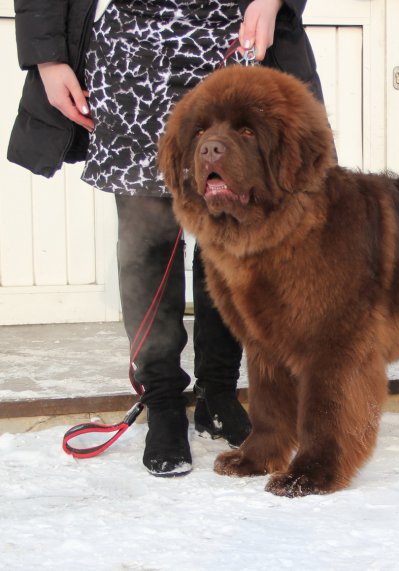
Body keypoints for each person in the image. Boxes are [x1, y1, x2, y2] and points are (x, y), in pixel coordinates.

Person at [8, 0, 326, 476]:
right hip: (135, 49)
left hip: (230, 40)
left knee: (232, 234)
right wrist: (48, 58)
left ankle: (217, 393)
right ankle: (162, 402)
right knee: (146, 235)